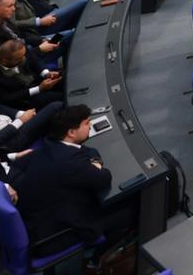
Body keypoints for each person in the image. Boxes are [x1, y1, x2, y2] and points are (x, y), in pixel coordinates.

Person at [8, 105, 126, 248]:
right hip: (51, 235)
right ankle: (95, 258)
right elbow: (104, 178)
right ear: (71, 132)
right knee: (127, 210)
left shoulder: (49, 145)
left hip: (33, 220)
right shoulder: (71, 163)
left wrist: (94, 160)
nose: (91, 125)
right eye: (87, 123)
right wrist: (96, 165)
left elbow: (88, 150)